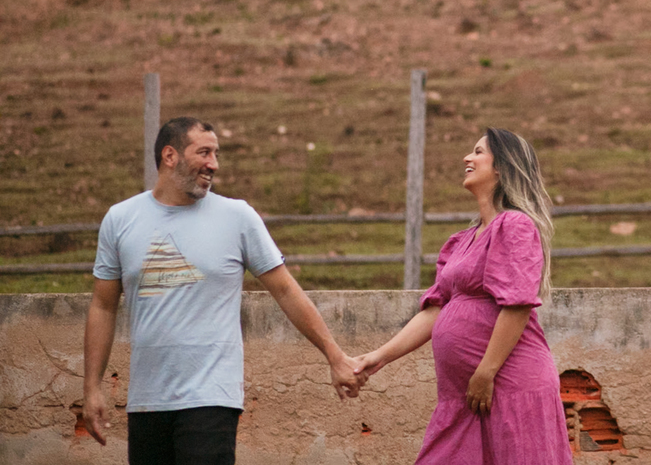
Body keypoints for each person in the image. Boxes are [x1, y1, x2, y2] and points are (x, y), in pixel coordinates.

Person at [82, 116, 362, 465]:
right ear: (170, 156)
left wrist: (335, 357)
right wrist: (91, 387)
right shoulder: (120, 219)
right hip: (147, 401)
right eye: (204, 153)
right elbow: (103, 306)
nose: (213, 164)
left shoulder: (237, 217)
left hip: (211, 399)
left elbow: (287, 292)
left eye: (216, 153)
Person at [353, 127, 572, 464]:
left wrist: (486, 372)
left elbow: (517, 306)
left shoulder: (514, 225)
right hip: (463, 396)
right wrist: (378, 357)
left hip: (510, 386)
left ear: (502, 166)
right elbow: (435, 310)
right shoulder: (461, 241)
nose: (467, 158)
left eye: (479, 152)